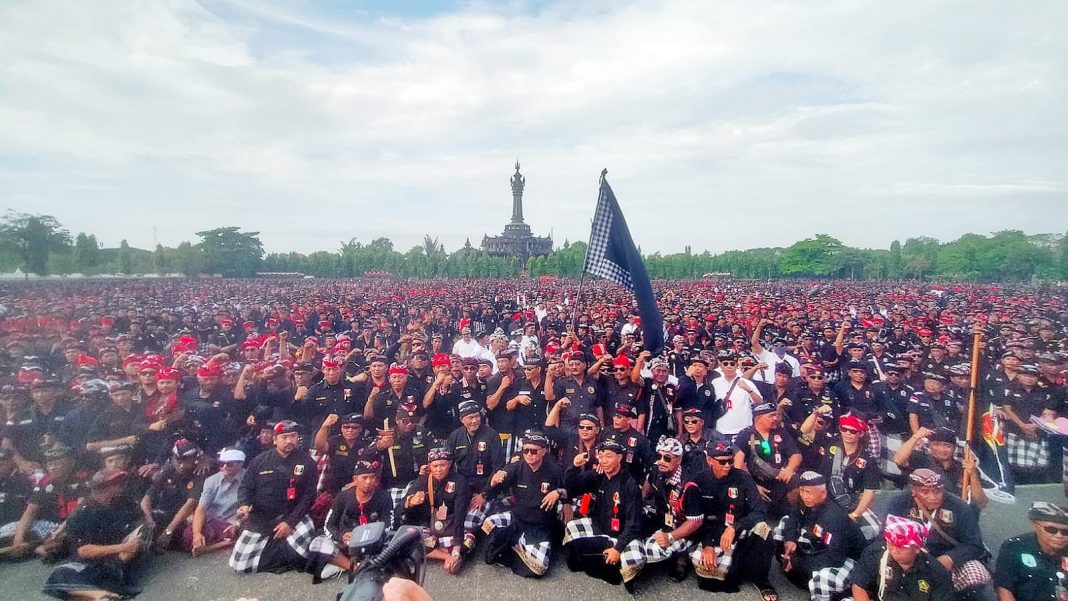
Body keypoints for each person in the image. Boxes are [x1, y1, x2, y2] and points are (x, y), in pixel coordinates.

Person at [689, 435, 776, 598]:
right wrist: (707, 545)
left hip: (739, 528)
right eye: (722, 462)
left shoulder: (743, 478)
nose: (728, 465)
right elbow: (696, 518)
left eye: (730, 460)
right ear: (710, 460)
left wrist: (735, 528)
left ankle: (762, 580)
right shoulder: (699, 480)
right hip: (711, 532)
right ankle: (737, 565)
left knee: (764, 529)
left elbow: (760, 510)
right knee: (708, 581)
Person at [41, 469, 148, 601]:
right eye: (116, 483)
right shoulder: (83, 514)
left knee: (63, 579)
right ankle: (100, 595)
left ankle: (97, 594)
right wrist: (122, 547)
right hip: (95, 561)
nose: (121, 485)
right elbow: (84, 551)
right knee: (61, 573)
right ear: (102, 488)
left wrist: (136, 536)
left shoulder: (123, 500)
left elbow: (142, 518)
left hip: (121, 558)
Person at [886, 469, 992, 599]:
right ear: (913, 490)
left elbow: (974, 545)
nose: (933, 496)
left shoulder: (959, 507)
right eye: (925, 492)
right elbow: (885, 536)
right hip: (909, 558)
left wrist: (949, 559)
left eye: (937, 491)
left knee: (975, 573)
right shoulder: (899, 504)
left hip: (947, 559)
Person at [228, 420, 317, 574]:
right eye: (284, 437)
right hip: (262, 517)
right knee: (239, 565)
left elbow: (308, 498)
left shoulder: (307, 462)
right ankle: (281, 549)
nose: (289, 440)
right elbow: (245, 488)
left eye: (293, 436)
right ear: (275, 439)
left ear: (297, 438)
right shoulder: (259, 461)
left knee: (302, 557)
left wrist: (290, 523)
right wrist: (243, 505)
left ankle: (281, 551)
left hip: (294, 515)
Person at [563, 439, 645, 592]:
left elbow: (634, 524)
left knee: (634, 560)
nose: (604, 460)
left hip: (623, 534)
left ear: (619, 458)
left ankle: (610, 557)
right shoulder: (598, 475)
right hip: (600, 527)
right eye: (601, 456)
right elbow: (572, 486)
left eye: (608, 456)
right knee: (571, 528)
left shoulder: (630, 483)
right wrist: (574, 467)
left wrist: (618, 548)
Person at [482, 430, 564, 578]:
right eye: (525, 450)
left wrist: (558, 491)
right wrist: (494, 480)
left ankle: (516, 545)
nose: (529, 454)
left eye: (533, 450)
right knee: (488, 527)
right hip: (519, 518)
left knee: (538, 569)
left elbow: (569, 488)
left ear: (544, 451)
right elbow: (493, 488)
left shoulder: (554, 469)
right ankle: (517, 543)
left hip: (541, 524)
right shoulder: (516, 467)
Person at [778, 471, 866, 601]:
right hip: (821, 544)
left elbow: (834, 558)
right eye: (802, 490)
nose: (804, 495)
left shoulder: (833, 516)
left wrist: (797, 562)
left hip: (849, 559)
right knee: (782, 525)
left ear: (823, 493)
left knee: (822, 578)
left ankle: (835, 594)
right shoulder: (805, 500)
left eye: (808, 492)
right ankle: (796, 575)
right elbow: (793, 518)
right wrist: (790, 539)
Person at [307, 459, 393, 580]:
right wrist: (341, 536)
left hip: (373, 544)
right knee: (318, 542)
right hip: (347, 544)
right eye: (364, 478)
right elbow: (328, 525)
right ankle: (354, 567)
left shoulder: (384, 497)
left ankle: (347, 566)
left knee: (395, 542)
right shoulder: (343, 497)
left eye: (372, 477)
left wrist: (372, 537)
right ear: (355, 479)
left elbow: (389, 525)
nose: (369, 482)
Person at [401, 448, 473, 575]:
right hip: (430, 527)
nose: (438, 469)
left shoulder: (460, 482)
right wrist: (410, 502)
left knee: (469, 542)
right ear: (430, 466)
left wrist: (456, 549)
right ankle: (446, 556)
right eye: (435, 466)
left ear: (449, 464)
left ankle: (450, 553)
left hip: (452, 526)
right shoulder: (423, 481)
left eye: (442, 465)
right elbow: (400, 507)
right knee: (407, 542)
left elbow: (460, 515)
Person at [850, 514, 954, 601]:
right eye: (891, 544)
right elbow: (858, 585)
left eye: (901, 547)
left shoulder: (935, 572)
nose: (894, 550)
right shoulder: (875, 554)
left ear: (917, 548)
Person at [637, 437, 699, 582]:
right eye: (659, 456)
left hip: (684, 526)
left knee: (653, 550)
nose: (661, 461)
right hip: (662, 518)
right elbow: (645, 494)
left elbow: (695, 522)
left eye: (667, 458)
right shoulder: (655, 470)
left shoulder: (689, 485)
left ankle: (682, 557)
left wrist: (670, 537)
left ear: (679, 460)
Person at [894, 426, 988, 507]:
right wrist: (915, 437)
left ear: (954, 447)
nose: (942, 449)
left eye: (947, 446)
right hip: (922, 515)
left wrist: (973, 475)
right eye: (936, 444)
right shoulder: (920, 459)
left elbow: (981, 502)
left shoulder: (964, 468)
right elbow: (898, 460)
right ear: (929, 445)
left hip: (955, 518)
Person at [993, 501, 1068, 601]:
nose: (1059, 536)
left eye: (1065, 531)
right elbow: (1004, 590)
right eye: (1051, 529)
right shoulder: (1014, 547)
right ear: (1035, 526)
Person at [140, 438, 203, 552]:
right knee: (141, 522)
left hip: (185, 517)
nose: (182, 466)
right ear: (173, 458)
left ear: (195, 459)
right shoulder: (169, 469)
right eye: (178, 461)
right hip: (165, 513)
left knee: (187, 536)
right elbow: (147, 497)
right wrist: (149, 520)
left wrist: (169, 530)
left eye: (186, 461)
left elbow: (190, 504)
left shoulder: (200, 472)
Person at [184, 447, 245, 556]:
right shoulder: (211, 481)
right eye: (221, 464)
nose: (224, 467)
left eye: (229, 464)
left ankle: (209, 548)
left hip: (233, 522)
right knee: (189, 536)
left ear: (240, 464)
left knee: (238, 532)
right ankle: (216, 544)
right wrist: (197, 533)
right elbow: (201, 509)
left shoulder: (249, 479)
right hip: (212, 520)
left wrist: (237, 523)